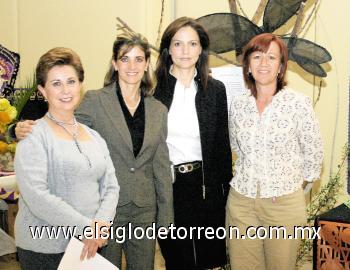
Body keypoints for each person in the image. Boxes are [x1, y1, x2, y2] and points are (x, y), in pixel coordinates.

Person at [15, 35, 174, 270]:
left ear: (147, 64)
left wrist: (166, 216)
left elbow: (161, 164)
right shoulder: (95, 101)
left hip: (139, 207)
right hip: (102, 214)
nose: (132, 66)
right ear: (114, 63)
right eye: (125, 59)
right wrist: (14, 129)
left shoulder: (157, 109)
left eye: (139, 59)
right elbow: (59, 123)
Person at [14, 47, 120, 270]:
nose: (65, 90)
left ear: (81, 84)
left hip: (89, 244)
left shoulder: (94, 136)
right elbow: (37, 197)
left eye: (71, 81)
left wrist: (100, 226)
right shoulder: (33, 135)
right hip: (45, 249)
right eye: (56, 83)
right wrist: (87, 228)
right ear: (43, 90)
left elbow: (111, 186)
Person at [226, 33, 324, 270]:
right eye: (257, 56)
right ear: (248, 65)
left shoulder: (297, 103)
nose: (264, 63)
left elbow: (314, 153)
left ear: (281, 67)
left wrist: (289, 187)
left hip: (283, 206)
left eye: (271, 57)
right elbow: (236, 146)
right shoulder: (238, 104)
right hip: (242, 203)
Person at [154, 17, 232, 270]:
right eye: (178, 44)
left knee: (210, 260)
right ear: (168, 49)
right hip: (171, 188)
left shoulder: (216, 90)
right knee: (178, 260)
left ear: (201, 49)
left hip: (206, 186)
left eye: (192, 44)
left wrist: (224, 193)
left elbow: (222, 146)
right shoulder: (154, 91)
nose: (185, 51)